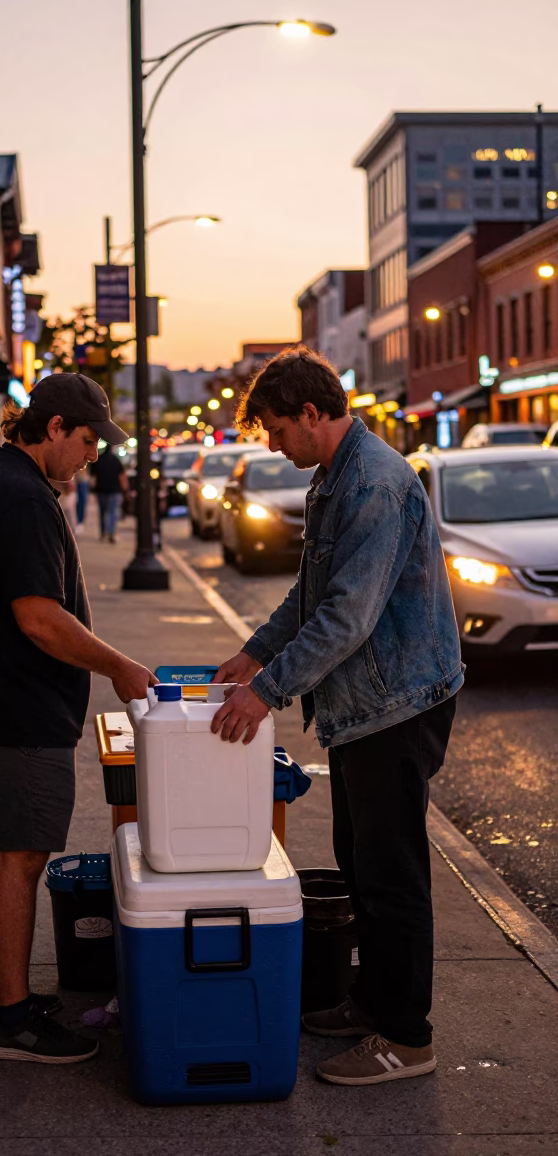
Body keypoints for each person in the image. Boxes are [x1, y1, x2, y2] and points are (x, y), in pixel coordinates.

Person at [210, 347, 463, 1088]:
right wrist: (254, 655)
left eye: (278, 429)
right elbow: (309, 592)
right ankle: (372, 1003)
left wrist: (267, 693)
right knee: (360, 864)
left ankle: (406, 1038)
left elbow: (347, 618)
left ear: (314, 415)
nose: (272, 445)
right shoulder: (334, 478)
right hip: (363, 709)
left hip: (396, 706)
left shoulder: (376, 485)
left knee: (391, 876)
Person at [0, 372, 156, 1066]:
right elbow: (38, 617)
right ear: (54, 428)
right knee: (20, 856)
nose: (94, 456)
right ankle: (12, 1020)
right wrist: (118, 666)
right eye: (88, 441)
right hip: (14, 709)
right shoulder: (21, 496)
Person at [91, 442, 127, 542]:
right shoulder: (116, 460)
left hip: (101, 489)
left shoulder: (99, 460)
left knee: (103, 512)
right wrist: (125, 490)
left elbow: (93, 477)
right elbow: (122, 476)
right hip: (114, 490)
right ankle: (111, 533)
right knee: (112, 512)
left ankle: (103, 533)